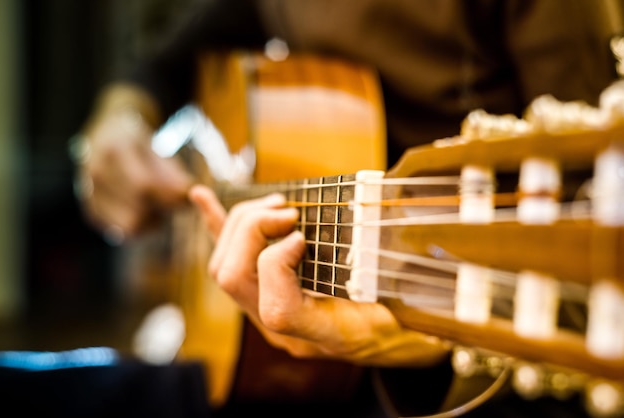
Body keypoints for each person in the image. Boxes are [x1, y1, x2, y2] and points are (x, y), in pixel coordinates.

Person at [71, 0, 619, 416]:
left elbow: (586, 194)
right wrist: (120, 118)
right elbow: (170, 58)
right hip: (272, 354)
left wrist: (427, 338)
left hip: (458, 364)